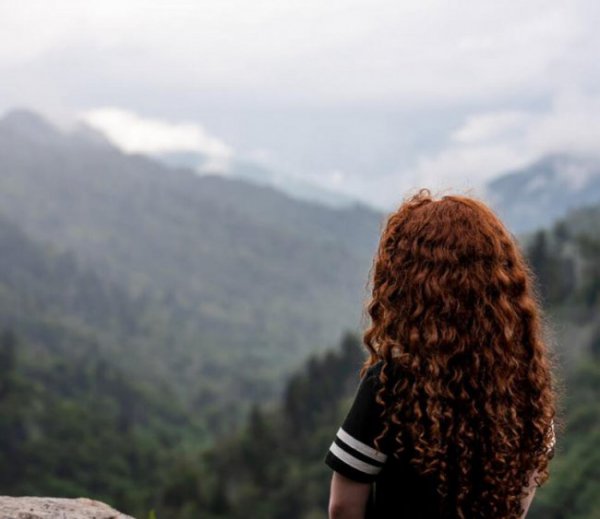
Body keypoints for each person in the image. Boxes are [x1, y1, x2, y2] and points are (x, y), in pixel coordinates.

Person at [325, 189, 556, 519]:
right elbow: (518, 505)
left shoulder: (391, 384)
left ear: (407, 282)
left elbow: (343, 506)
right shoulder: (528, 385)